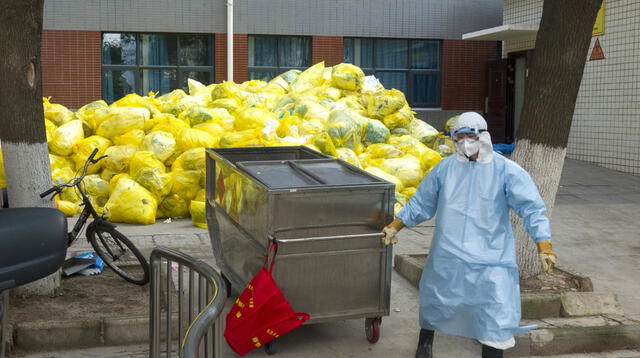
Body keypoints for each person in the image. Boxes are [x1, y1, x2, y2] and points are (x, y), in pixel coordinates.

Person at [382, 112, 557, 358]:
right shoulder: (445, 169)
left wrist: (544, 244)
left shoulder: (506, 170)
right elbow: (422, 202)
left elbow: (532, 208)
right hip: (448, 253)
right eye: (459, 136)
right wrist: (396, 225)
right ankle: (425, 343)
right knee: (436, 300)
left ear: (483, 135)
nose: (464, 141)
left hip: (491, 258)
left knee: (494, 311)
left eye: (469, 135)